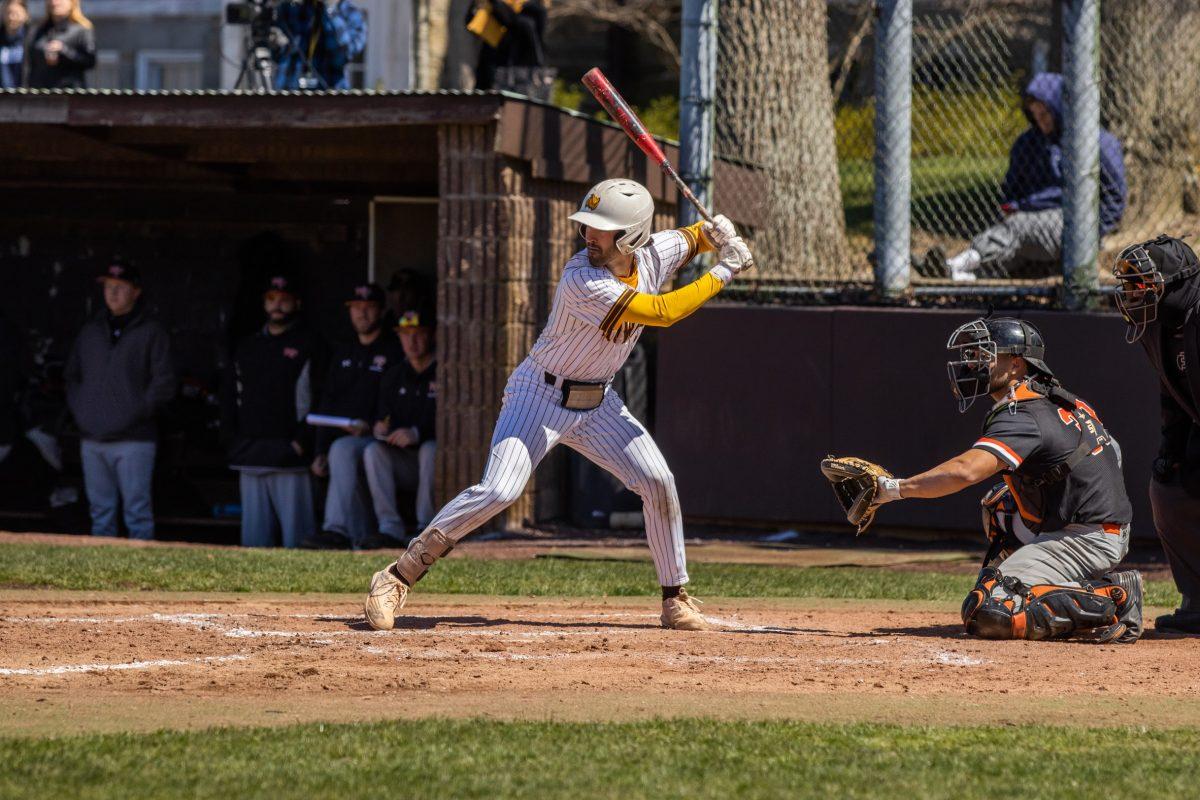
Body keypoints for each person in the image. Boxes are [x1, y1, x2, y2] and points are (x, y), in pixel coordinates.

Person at [364, 177, 754, 632]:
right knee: (499, 492)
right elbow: (663, 312)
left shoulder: (651, 253)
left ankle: (675, 599)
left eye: (600, 228)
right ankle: (397, 575)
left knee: (657, 479)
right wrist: (724, 270)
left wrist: (715, 233)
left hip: (598, 400)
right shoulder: (582, 279)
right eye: (586, 225)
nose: (588, 235)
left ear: (631, 235)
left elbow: (690, 239)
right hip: (540, 394)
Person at [860, 317, 1141, 643]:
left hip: (1086, 535)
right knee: (1001, 505)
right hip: (1098, 526)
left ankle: (1113, 596)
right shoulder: (1059, 399)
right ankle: (1034, 578)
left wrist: (890, 490)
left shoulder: (1022, 412)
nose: (972, 363)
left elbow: (965, 471)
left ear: (1016, 364)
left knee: (990, 612)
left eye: (984, 355)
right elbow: (1114, 452)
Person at [926, 73, 1127, 282]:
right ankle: (954, 276)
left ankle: (955, 263)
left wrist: (1093, 231)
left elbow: (1115, 196)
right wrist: (1009, 208)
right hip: (1028, 221)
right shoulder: (1027, 143)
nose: (1041, 121)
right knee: (1008, 253)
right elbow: (1011, 189)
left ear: (1059, 106)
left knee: (1019, 228)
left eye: (1045, 114)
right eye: (1035, 115)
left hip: (1071, 221)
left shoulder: (1096, 141)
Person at [1111, 235, 1200, 633]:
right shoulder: (1155, 325)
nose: (1132, 293)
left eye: (1142, 284)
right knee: (1169, 486)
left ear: (1176, 282)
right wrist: (1173, 448)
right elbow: (1172, 390)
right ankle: (1198, 600)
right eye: (1129, 284)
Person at [64, 261, 175, 540]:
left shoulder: (151, 332)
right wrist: (83, 412)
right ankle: (102, 577)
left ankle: (141, 577)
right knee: (100, 513)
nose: (113, 294)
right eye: (109, 288)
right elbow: (72, 376)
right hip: (93, 437)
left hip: (134, 438)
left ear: (136, 292)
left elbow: (164, 382)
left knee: (137, 512)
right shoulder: (91, 331)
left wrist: (135, 411)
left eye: (120, 288)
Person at [221, 274, 323, 548]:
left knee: (298, 541)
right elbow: (230, 396)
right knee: (254, 543)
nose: (277, 305)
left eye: (284, 300)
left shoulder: (309, 344)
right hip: (250, 452)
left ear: (297, 303)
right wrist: (232, 440)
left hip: (290, 454)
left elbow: (319, 397)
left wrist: (303, 442)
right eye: (271, 299)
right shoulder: (247, 345)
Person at [302, 283, 404, 550]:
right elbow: (328, 401)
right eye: (357, 308)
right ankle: (336, 530)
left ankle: (386, 530)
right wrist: (319, 449)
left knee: (353, 450)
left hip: (382, 440)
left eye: (369, 308)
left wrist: (374, 425)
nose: (363, 314)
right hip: (346, 437)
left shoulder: (394, 351)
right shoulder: (344, 352)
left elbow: (397, 400)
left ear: (381, 311)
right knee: (338, 449)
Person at [361, 304, 438, 549]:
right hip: (403, 463)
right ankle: (389, 527)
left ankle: (424, 527)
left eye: (418, 335)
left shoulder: (445, 372)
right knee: (373, 450)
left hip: (436, 464)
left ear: (431, 336)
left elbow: (456, 423)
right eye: (405, 335)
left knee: (430, 448)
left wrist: (417, 433)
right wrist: (380, 429)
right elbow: (383, 416)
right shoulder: (394, 375)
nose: (411, 341)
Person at [272, 0, 366, 91]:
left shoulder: (352, 14)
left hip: (331, 95)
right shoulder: (292, 8)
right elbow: (278, 54)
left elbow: (345, 53)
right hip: (291, 93)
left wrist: (330, 11)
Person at [466, 0, 546, 91]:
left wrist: (496, 4)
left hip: (519, 71)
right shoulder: (498, 4)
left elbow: (516, 23)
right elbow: (471, 22)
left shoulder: (533, 8)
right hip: (489, 65)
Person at [25, 0, 94, 89]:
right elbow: (29, 65)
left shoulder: (82, 30)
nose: (54, 2)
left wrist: (64, 50)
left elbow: (90, 61)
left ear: (72, 3)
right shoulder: (37, 31)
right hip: (41, 92)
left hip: (69, 92)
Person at [0, 0, 28, 89]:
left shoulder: (33, 39)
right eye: (8, 13)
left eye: (16, 14)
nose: (12, 18)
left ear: (25, 14)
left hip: (26, 95)